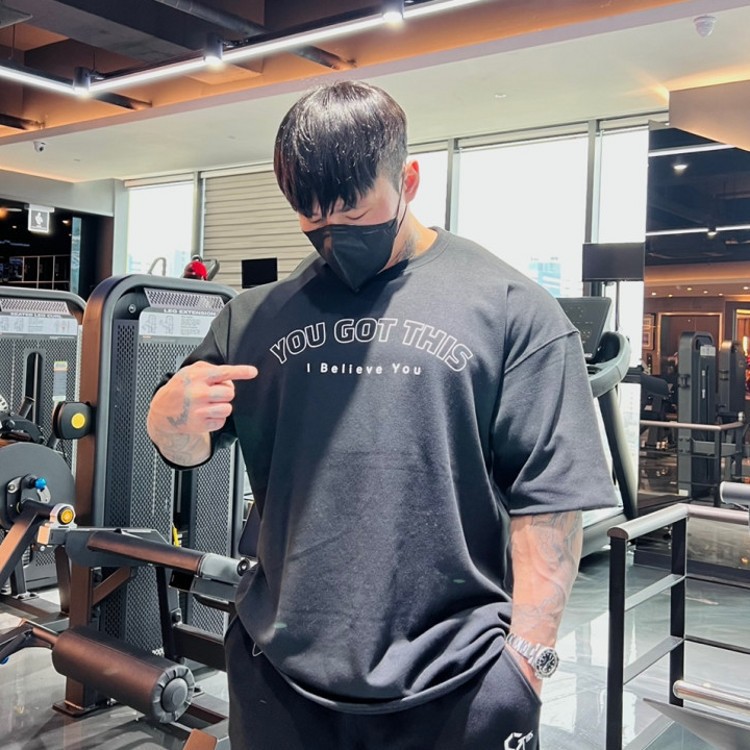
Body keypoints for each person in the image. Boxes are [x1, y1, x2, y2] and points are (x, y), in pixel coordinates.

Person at [147, 80, 618, 750]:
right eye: (311, 216)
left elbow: (550, 503)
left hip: (456, 680)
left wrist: (525, 667)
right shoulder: (251, 319)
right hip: (275, 672)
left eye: (354, 210)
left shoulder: (512, 309)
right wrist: (166, 419)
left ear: (410, 180)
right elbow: (189, 448)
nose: (333, 233)